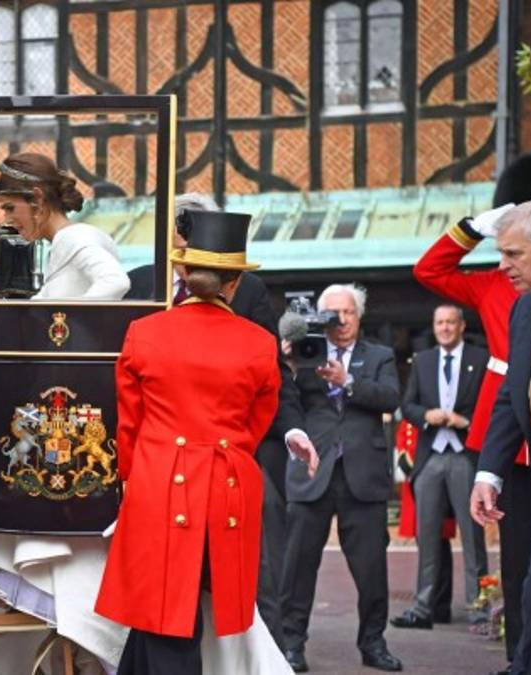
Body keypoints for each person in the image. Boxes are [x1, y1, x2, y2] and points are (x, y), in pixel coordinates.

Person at [95, 209, 316, 674]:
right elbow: (258, 421)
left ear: (183, 273)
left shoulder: (144, 332)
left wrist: (132, 476)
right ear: (234, 283)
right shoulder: (258, 343)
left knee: (164, 611)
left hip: (158, 483)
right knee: (171, 611)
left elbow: (128, 422)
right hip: (227, 486)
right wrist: (224, 446)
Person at [413, 150, 531, 670]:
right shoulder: (500, 287)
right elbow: (428, 269)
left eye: (514, 252)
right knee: (524, 565)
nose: (505, 263)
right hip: (518, 436)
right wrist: (476, 227)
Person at [171, 193, 306, 649]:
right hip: (166, 459)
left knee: (256, 560)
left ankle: (267, 650)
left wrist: (291, 428)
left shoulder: (247, 290)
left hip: (234, 451)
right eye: (182, 231)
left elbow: (271, 373)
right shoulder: (142, 285)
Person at [279, 284, 403, 672]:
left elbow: (390, 397)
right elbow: (282, 399)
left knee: (371, 570)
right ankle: (292, 644)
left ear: (359, 316)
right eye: (334, 313)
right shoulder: (305, 352)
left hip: (362, 474)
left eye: (349, 312)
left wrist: (348, 381)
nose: (342, 320)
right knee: (297, 567)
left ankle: (373, 644)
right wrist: (286, 359)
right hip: (312, 471)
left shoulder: (379, 355)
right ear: (320, 318)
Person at [471, 198, 531, 674]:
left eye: (512, 254)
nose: (502, 266)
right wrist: (488, 473)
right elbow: (512, 394)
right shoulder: (524, 309)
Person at [390, 305, 488, 629]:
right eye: (439, 323)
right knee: (427, 537)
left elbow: (490, 406)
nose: (444, 328)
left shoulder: (480, 359)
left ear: (461, 326)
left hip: (465, 456)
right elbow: (408, 404)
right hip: (430, 456)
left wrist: (465, 421)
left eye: (450, 322)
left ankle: (479, 609)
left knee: (472, 538)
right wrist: (425, 415)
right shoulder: (423, 361)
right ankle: (423, 608)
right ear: (434, 327)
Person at [0, 153, 130, 301]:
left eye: (10, 208)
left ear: (38, 199)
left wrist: (68, 312)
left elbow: (115, 282)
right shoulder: (62, 243)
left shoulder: (74, 238)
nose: (7, 219)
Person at [394, 418, 456, 625]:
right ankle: (432, 603)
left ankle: (440, 604)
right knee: (427, 544)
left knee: (439, 546)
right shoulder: (413, 416)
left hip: (432, 475)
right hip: (417, 479)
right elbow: (404, 440)